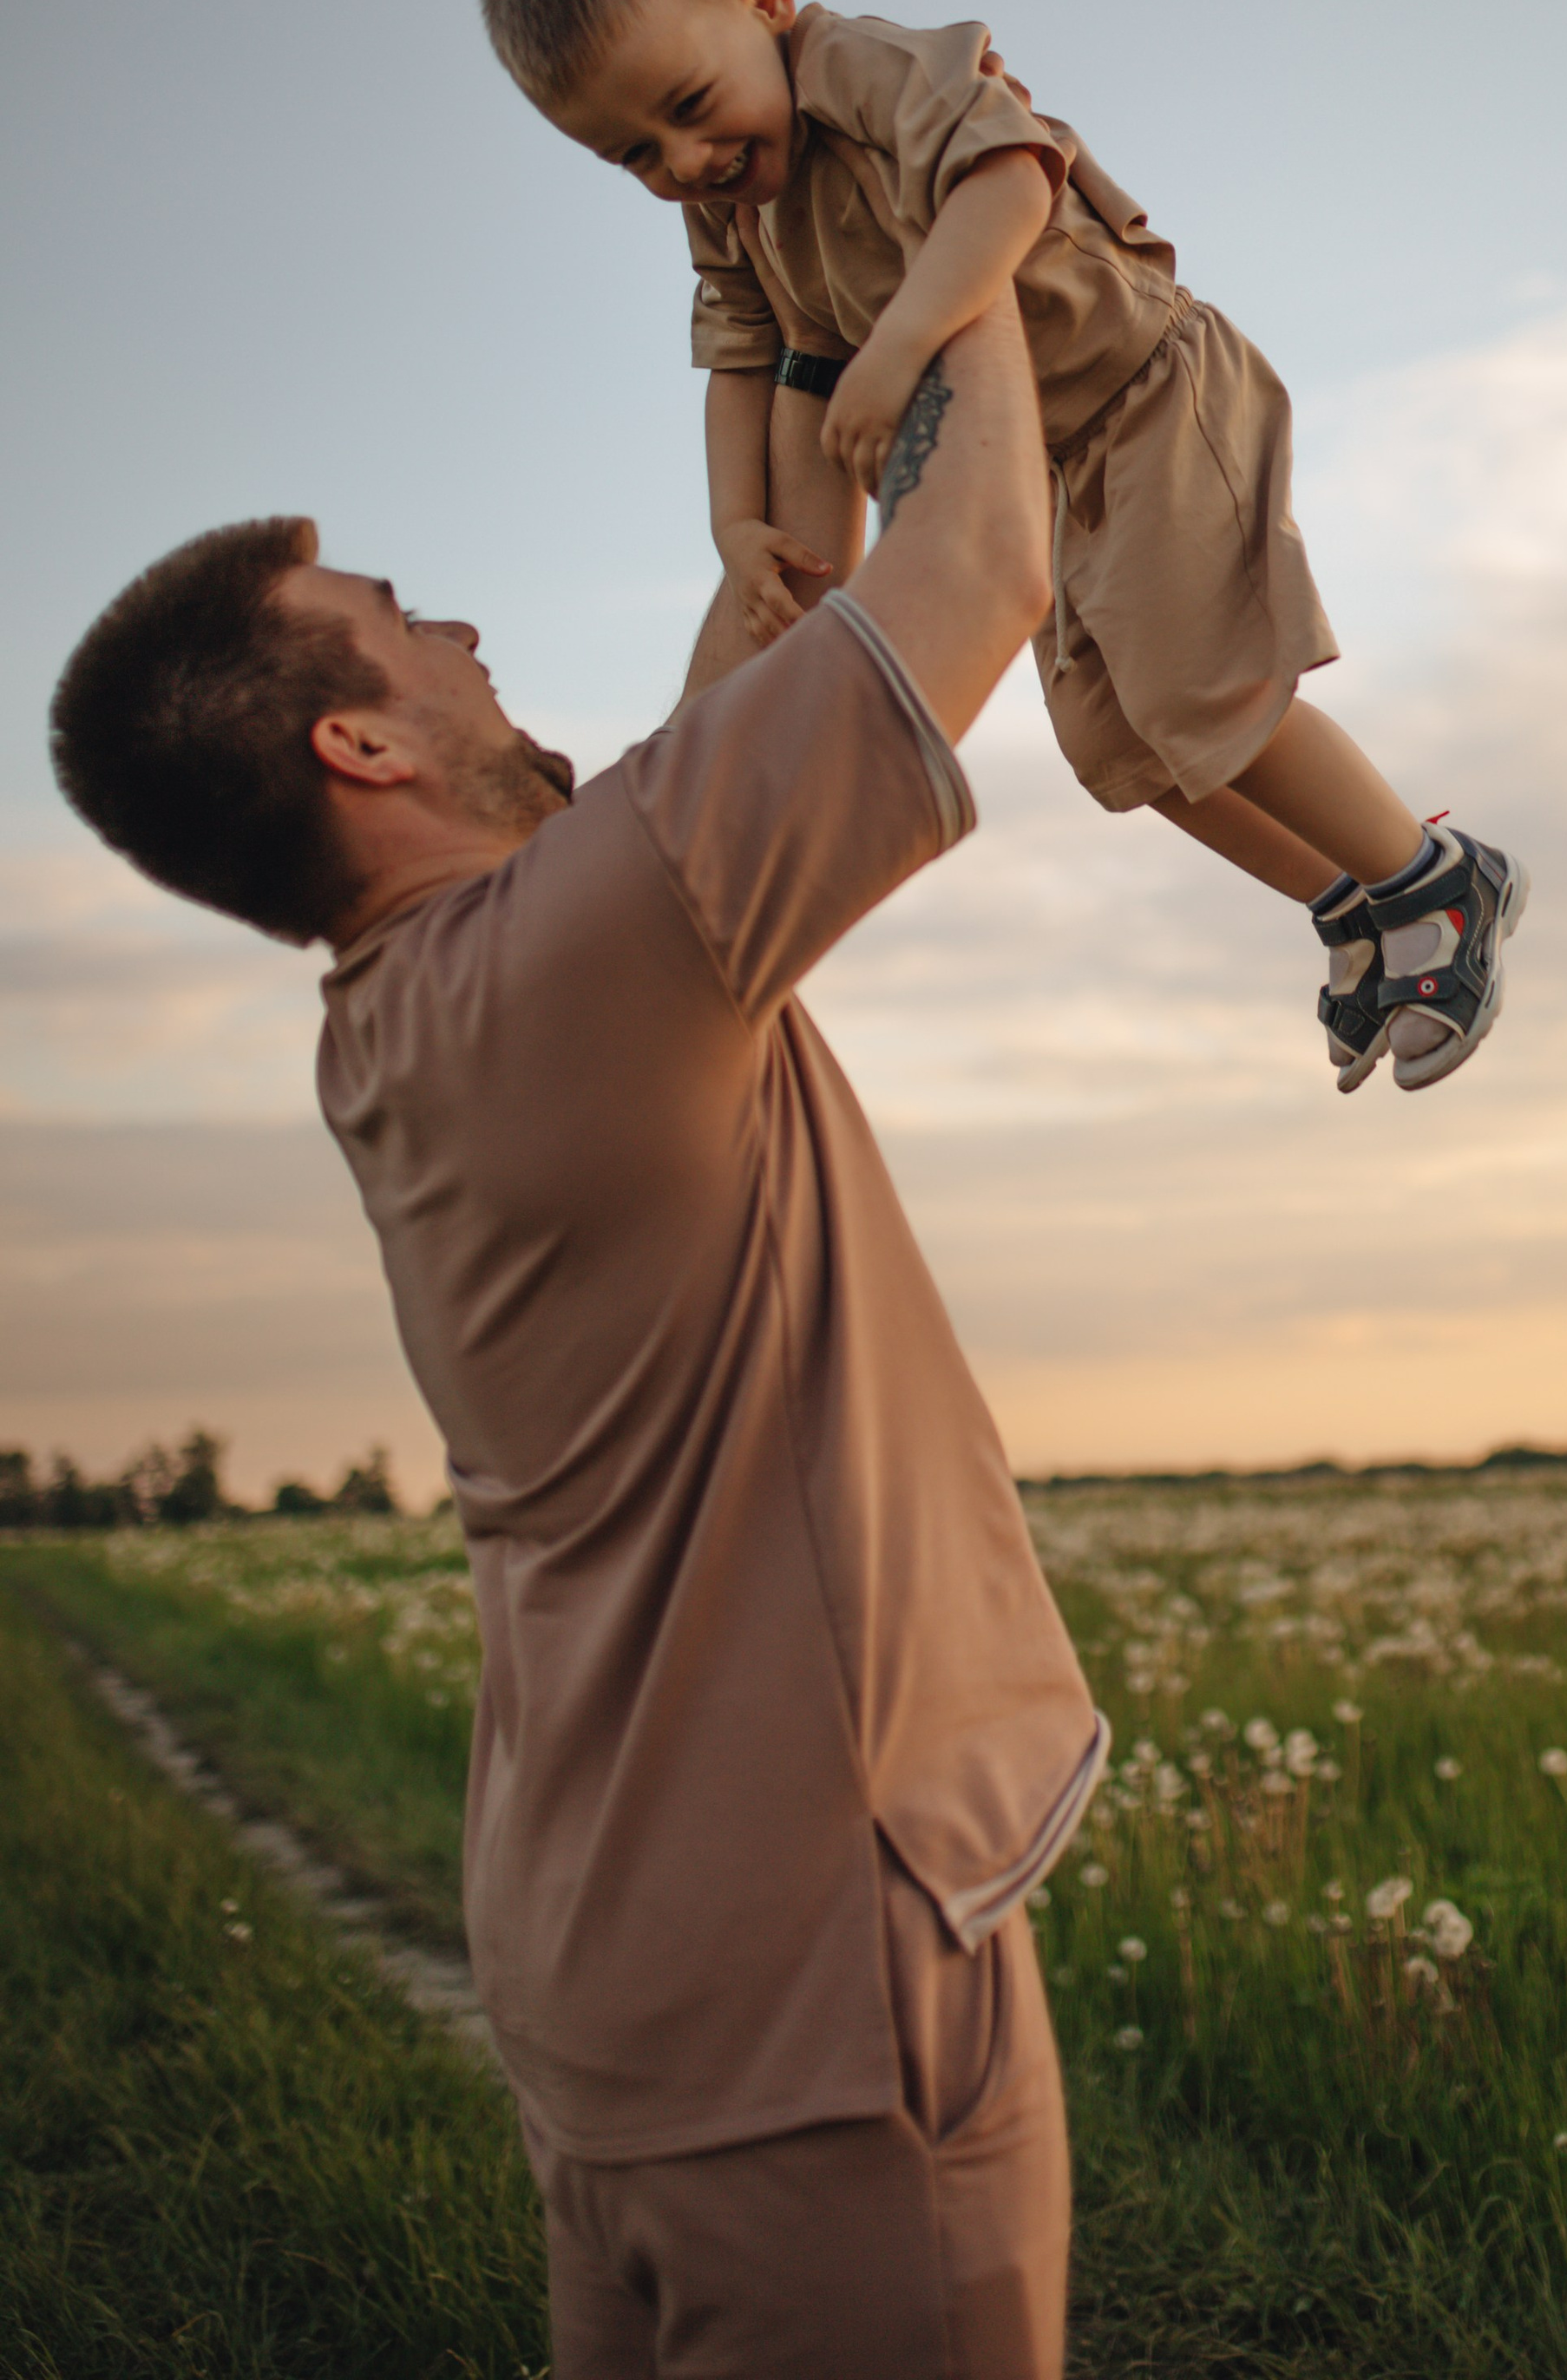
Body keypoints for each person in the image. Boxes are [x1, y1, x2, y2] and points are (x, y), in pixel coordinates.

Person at [49, 297, 1107, 2380]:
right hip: (814, 1986)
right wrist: (967, 222)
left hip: (612, 1973)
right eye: (406, 621)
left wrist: (788, 400)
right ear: (358, 748)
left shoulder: (413, 1019)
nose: (464, 636)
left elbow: (697, 748)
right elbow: (979, 567)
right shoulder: (580, 959)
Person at [477, 0, 1529, 1095]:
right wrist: (736, 530)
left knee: (1202, 698)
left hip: (1147, 389)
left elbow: (1011, 173)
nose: (682, 162)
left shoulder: (856, 68)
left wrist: (906, 338)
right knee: (1121, 755)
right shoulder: (733, 214)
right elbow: (743, 359)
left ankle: (1441, 883)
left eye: (690, 107)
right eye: (632, 156)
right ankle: (1351, 906)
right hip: (1048, 468)